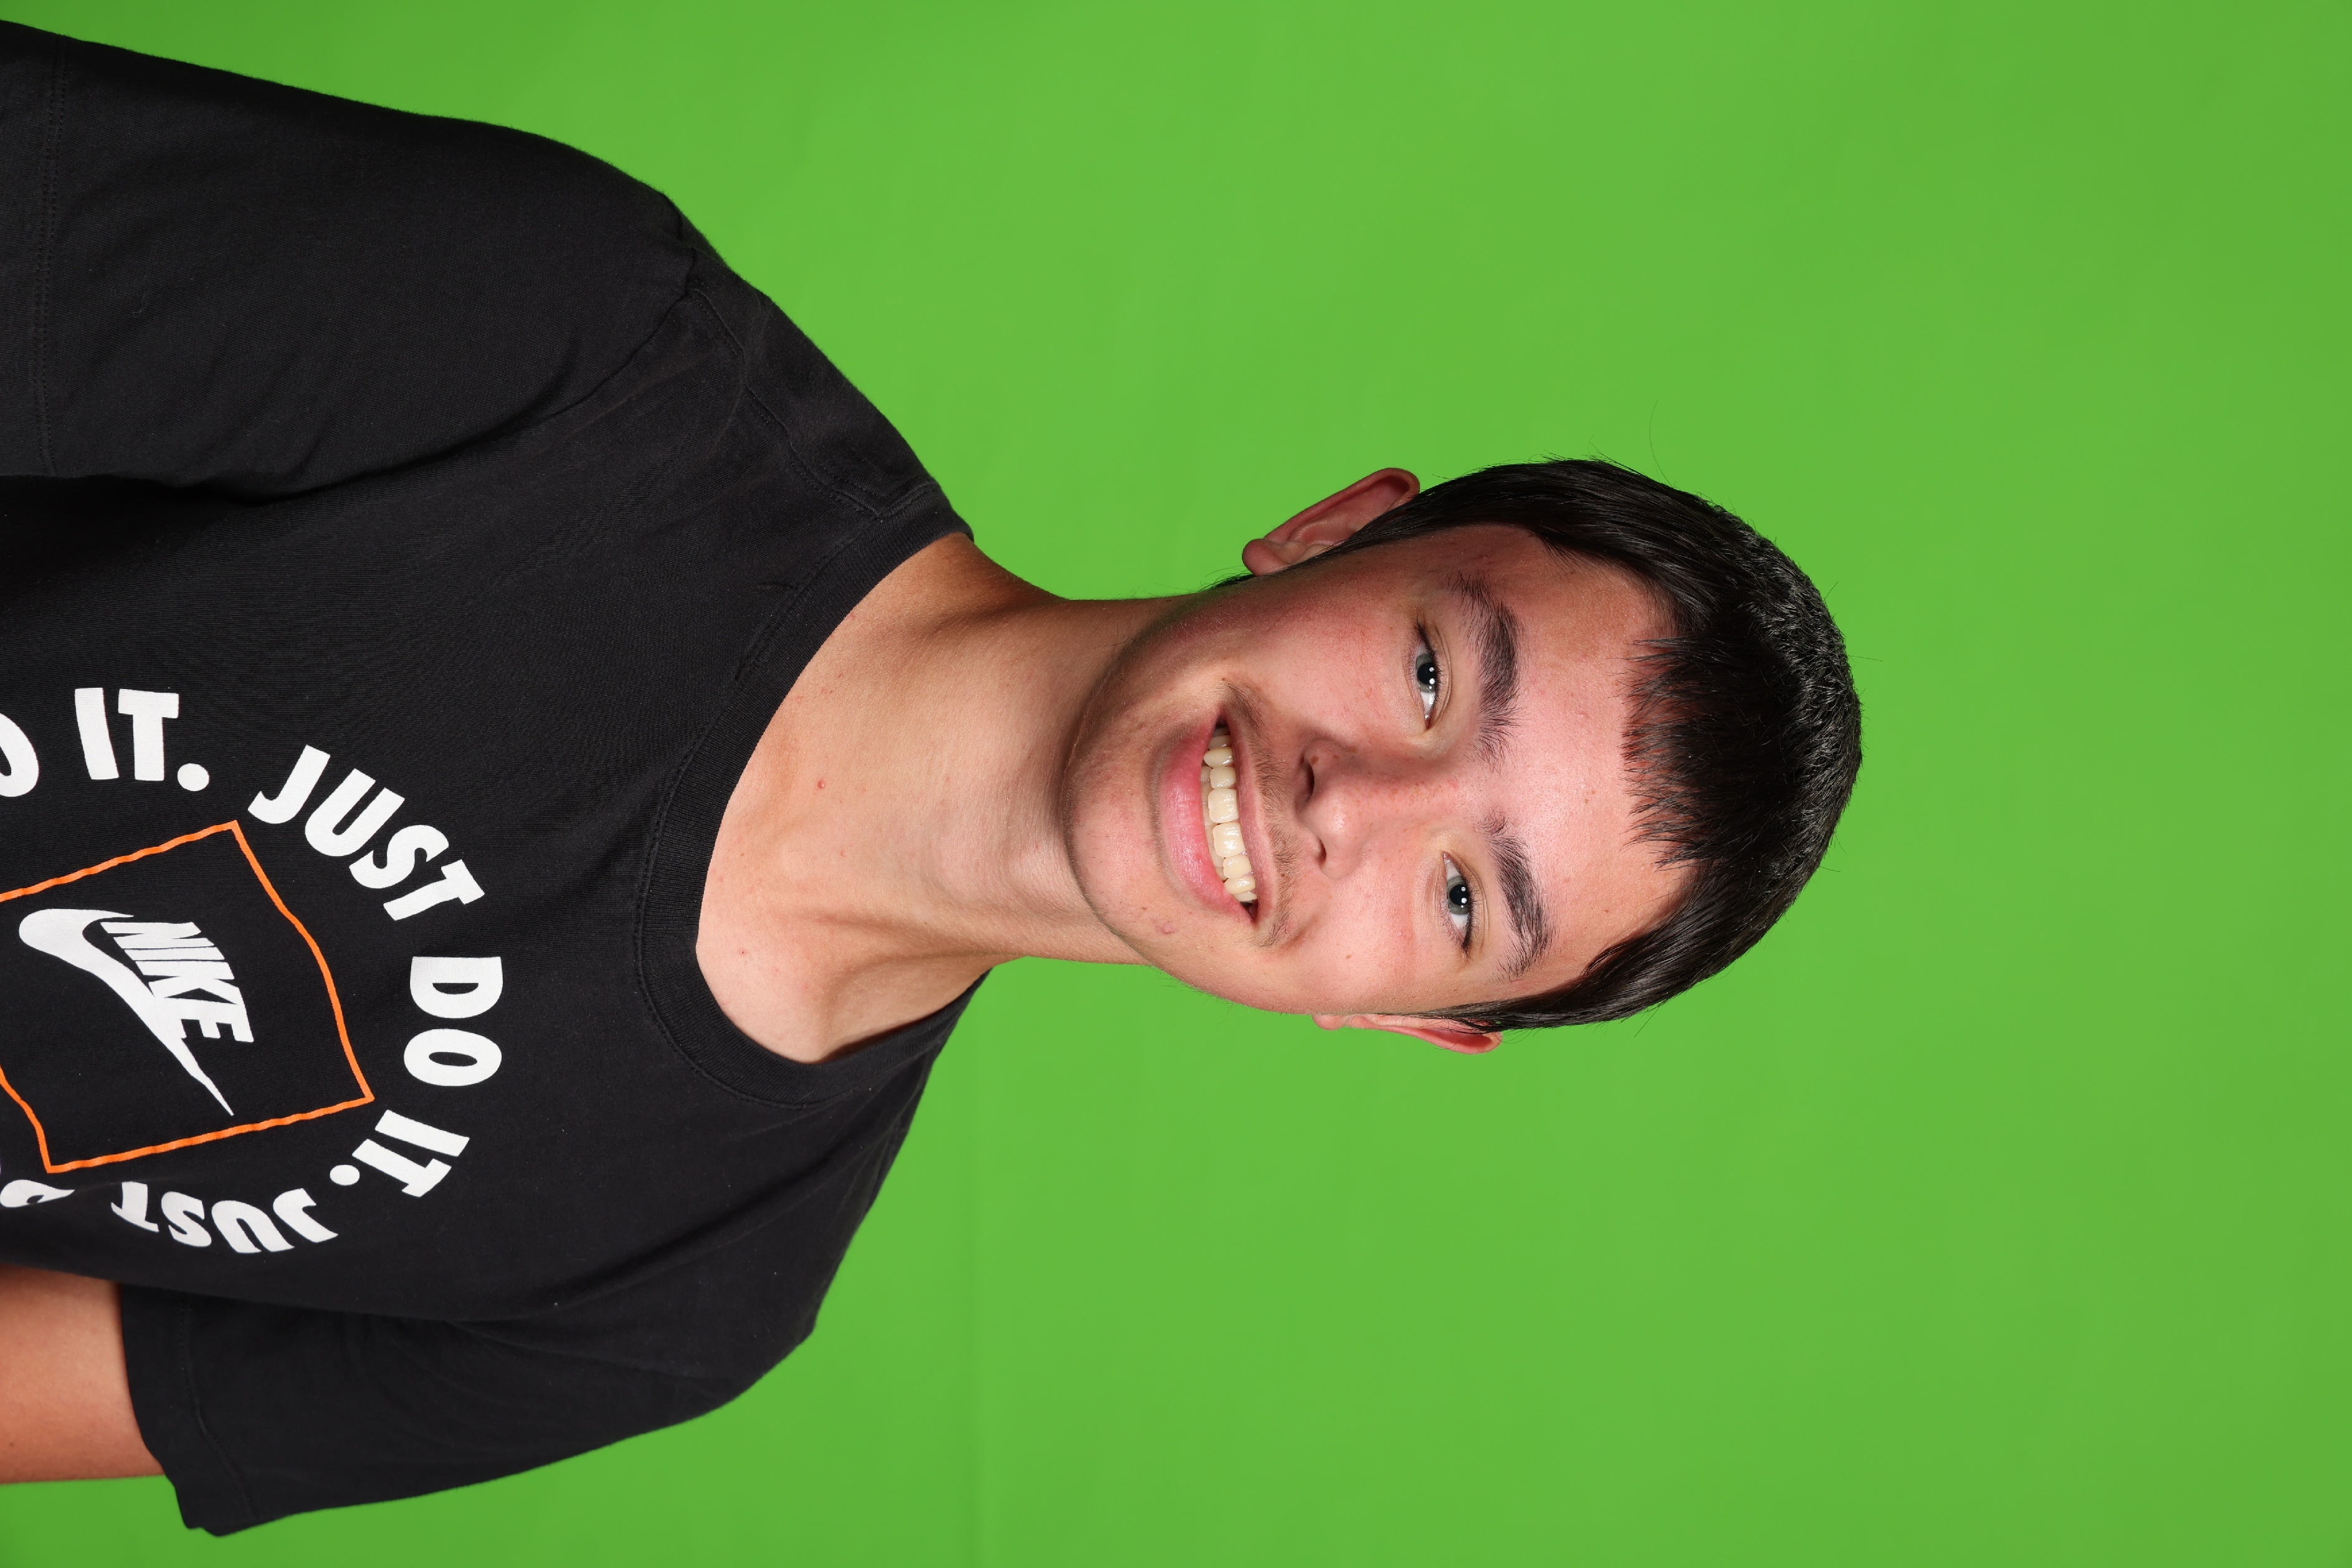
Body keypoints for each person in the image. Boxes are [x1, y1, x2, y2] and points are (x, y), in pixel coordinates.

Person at [0, 20, 1860, 1533]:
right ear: (1335, 530)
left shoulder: (684, 1304)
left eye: (1461, 899)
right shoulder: (577, 354)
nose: (1348, 800)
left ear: (1407, 1020)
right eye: (1434, 671)